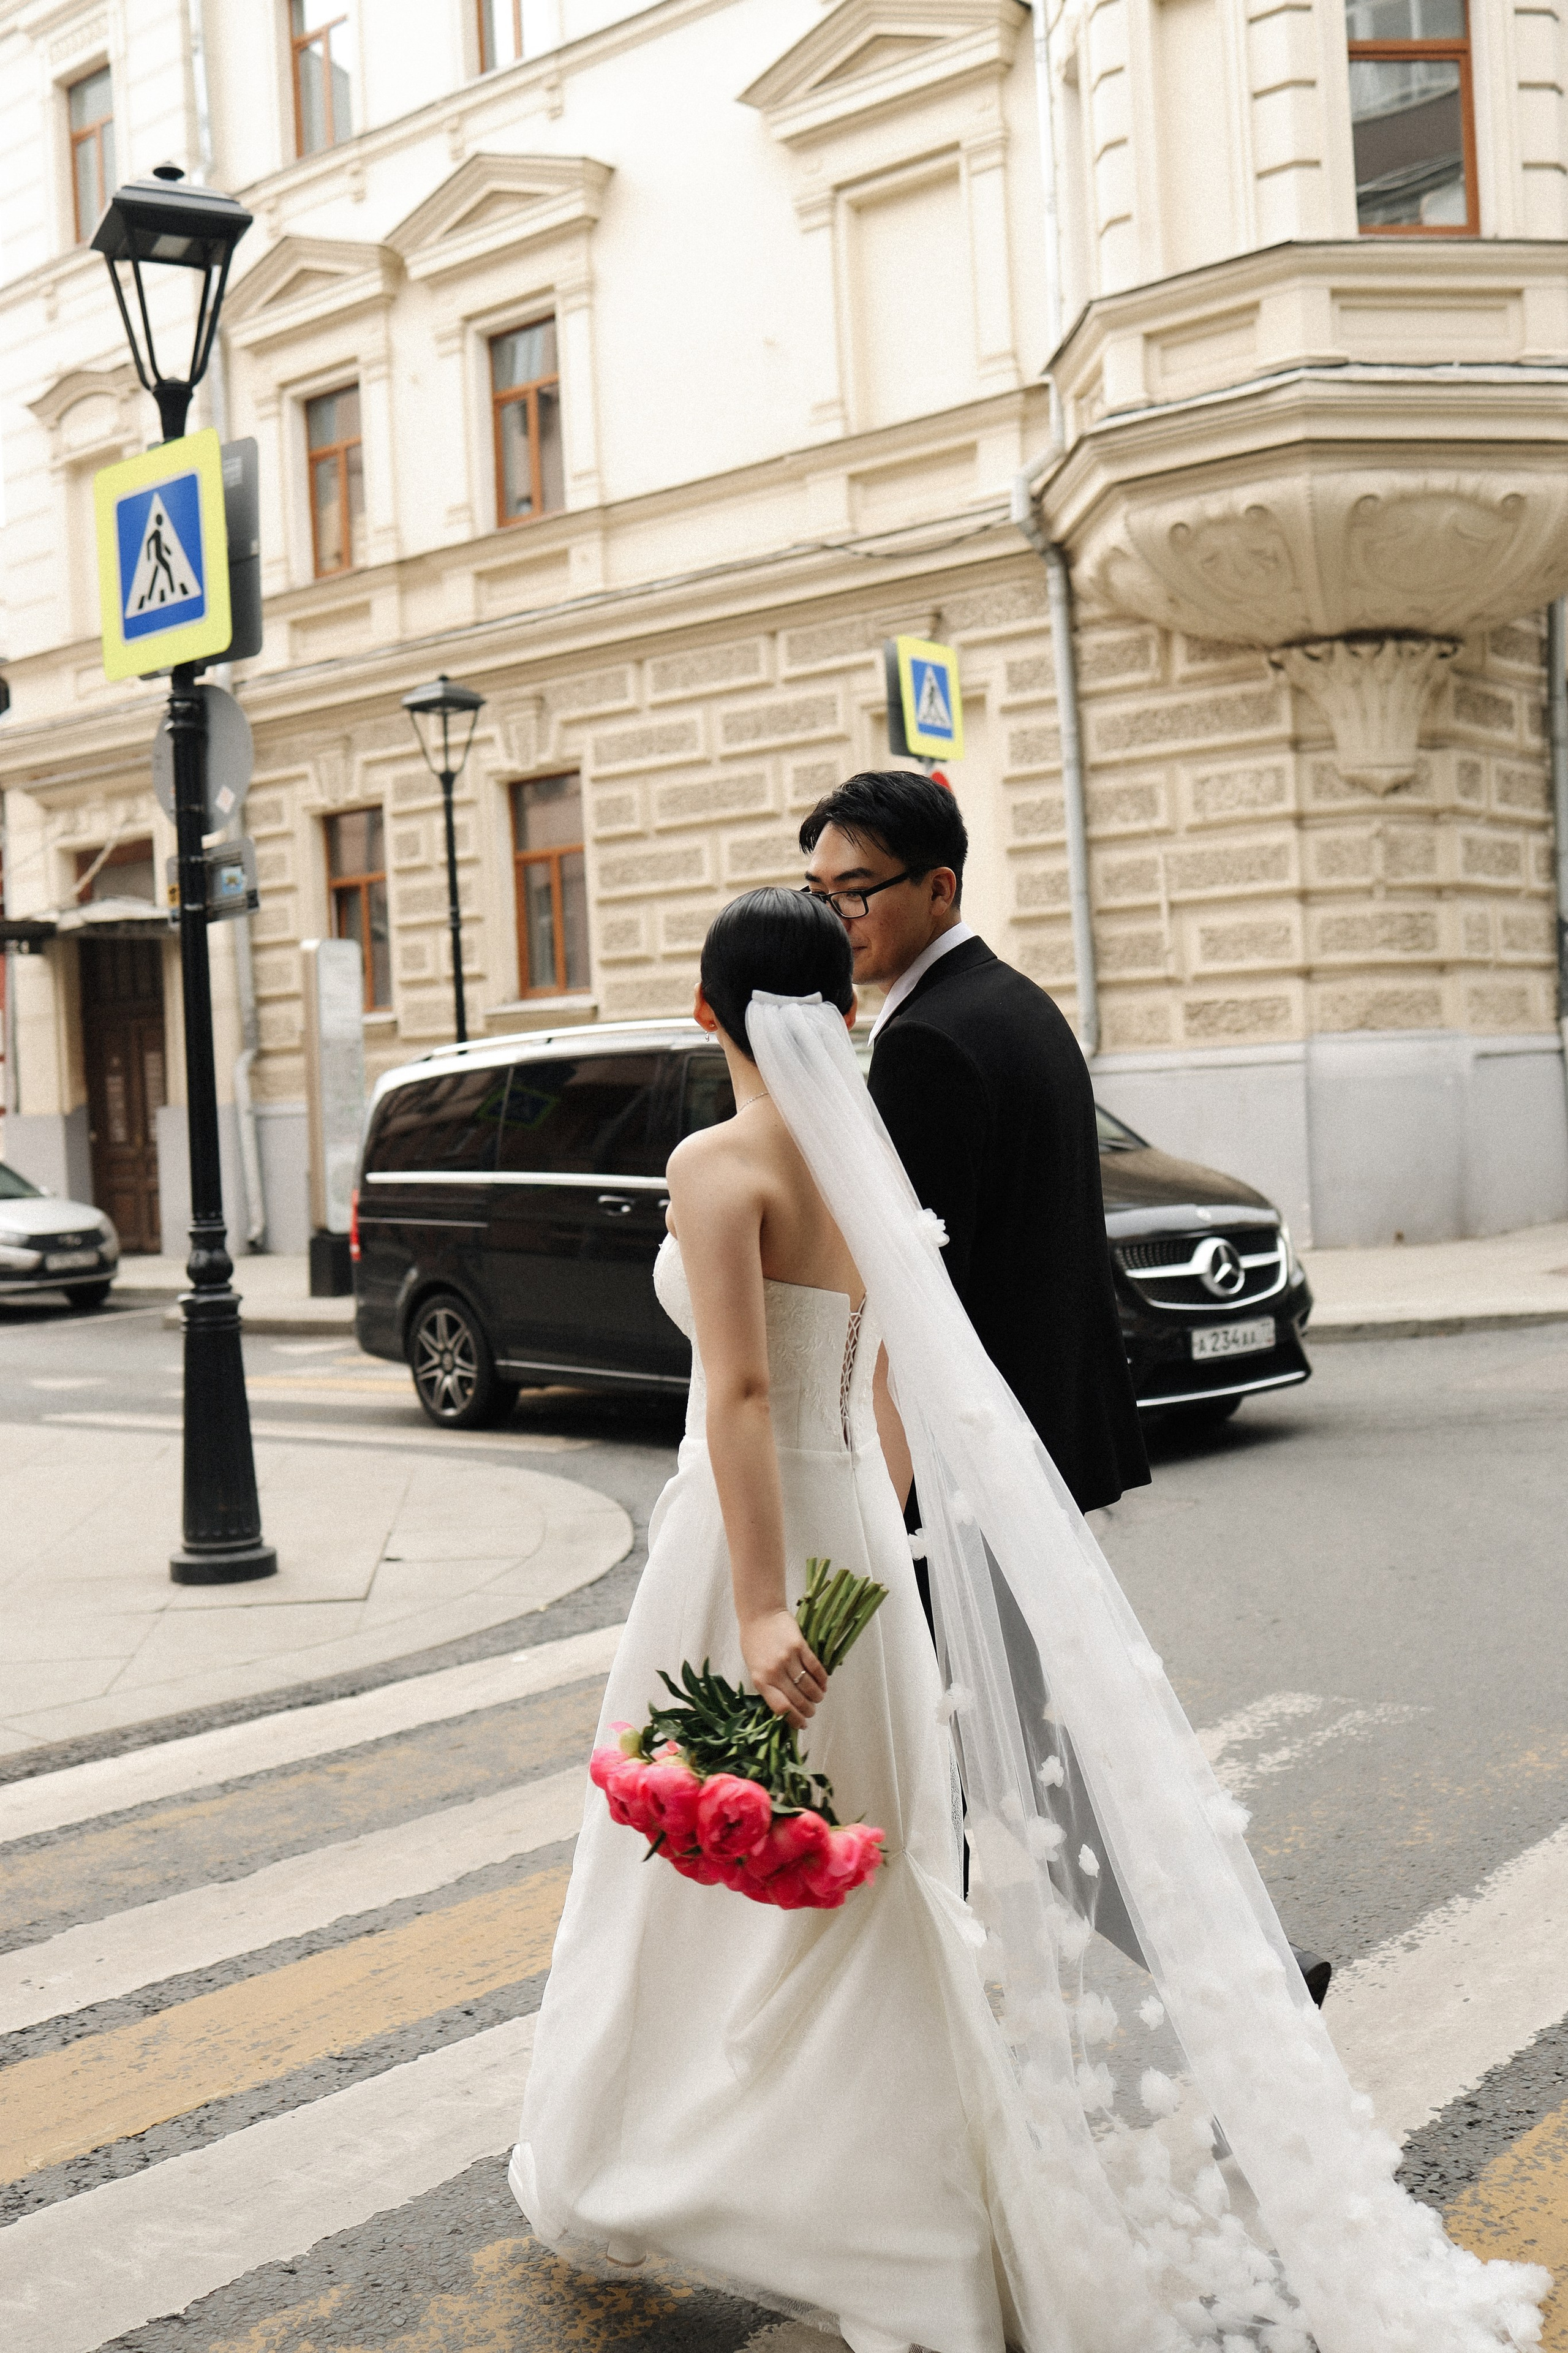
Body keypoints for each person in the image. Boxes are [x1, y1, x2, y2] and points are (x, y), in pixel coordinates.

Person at [511, 888, 1544, 2353]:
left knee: (709, 1852)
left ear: (704, 1014)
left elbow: (738, 1395)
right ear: (844, 1006)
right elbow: (891, 1387)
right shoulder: (863, 1159)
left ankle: (699, 2161)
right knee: (870, 1862)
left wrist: (757, 1604)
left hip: (738, 1541)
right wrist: (857, 1553)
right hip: (857, 1522)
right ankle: (892, 2189)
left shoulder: (714, 1159)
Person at [799, 769, 1148, 1519]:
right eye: (818, 894)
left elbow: (916, 1288)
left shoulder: (926, 1039)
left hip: (972, 1464)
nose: (835, 919)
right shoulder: (1018, 999)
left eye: (856, 892)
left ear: (939, 888)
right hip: (1051, 1428)